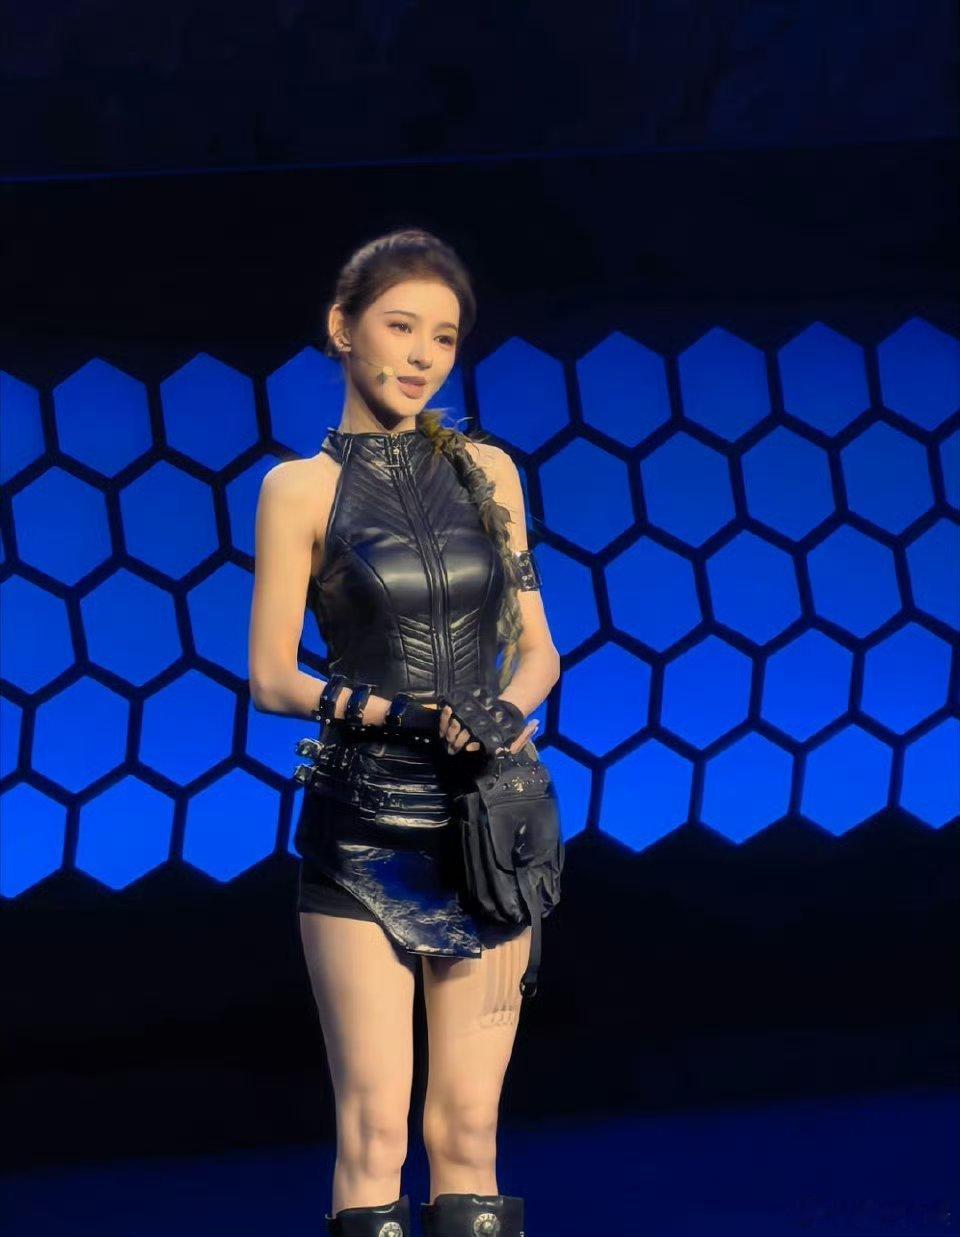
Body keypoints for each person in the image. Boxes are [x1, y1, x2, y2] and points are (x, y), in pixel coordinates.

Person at [249, 228, 560, 1237]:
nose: (423, 354)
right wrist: (409, 716)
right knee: (374, 1130)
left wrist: (505, 712)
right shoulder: (298, 488)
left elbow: (540, 650)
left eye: (445, 336)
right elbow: (272, 677)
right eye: (400, 327)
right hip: (363, 826)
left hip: (487, 832)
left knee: (468, 1128)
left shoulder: (490, 472)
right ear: (342, 330)